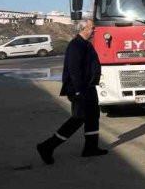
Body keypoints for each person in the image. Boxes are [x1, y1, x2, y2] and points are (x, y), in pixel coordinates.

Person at [36, 19, 108, 164]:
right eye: (92, 28)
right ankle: (47, 146)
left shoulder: (86, 44)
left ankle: (90, 148)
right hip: (79, 89)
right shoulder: (75, 45)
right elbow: (74, 70)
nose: (94, 31)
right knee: (78, 118)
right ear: (83, 29)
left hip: (89, 87)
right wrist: (78, 91)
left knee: (93, 116)